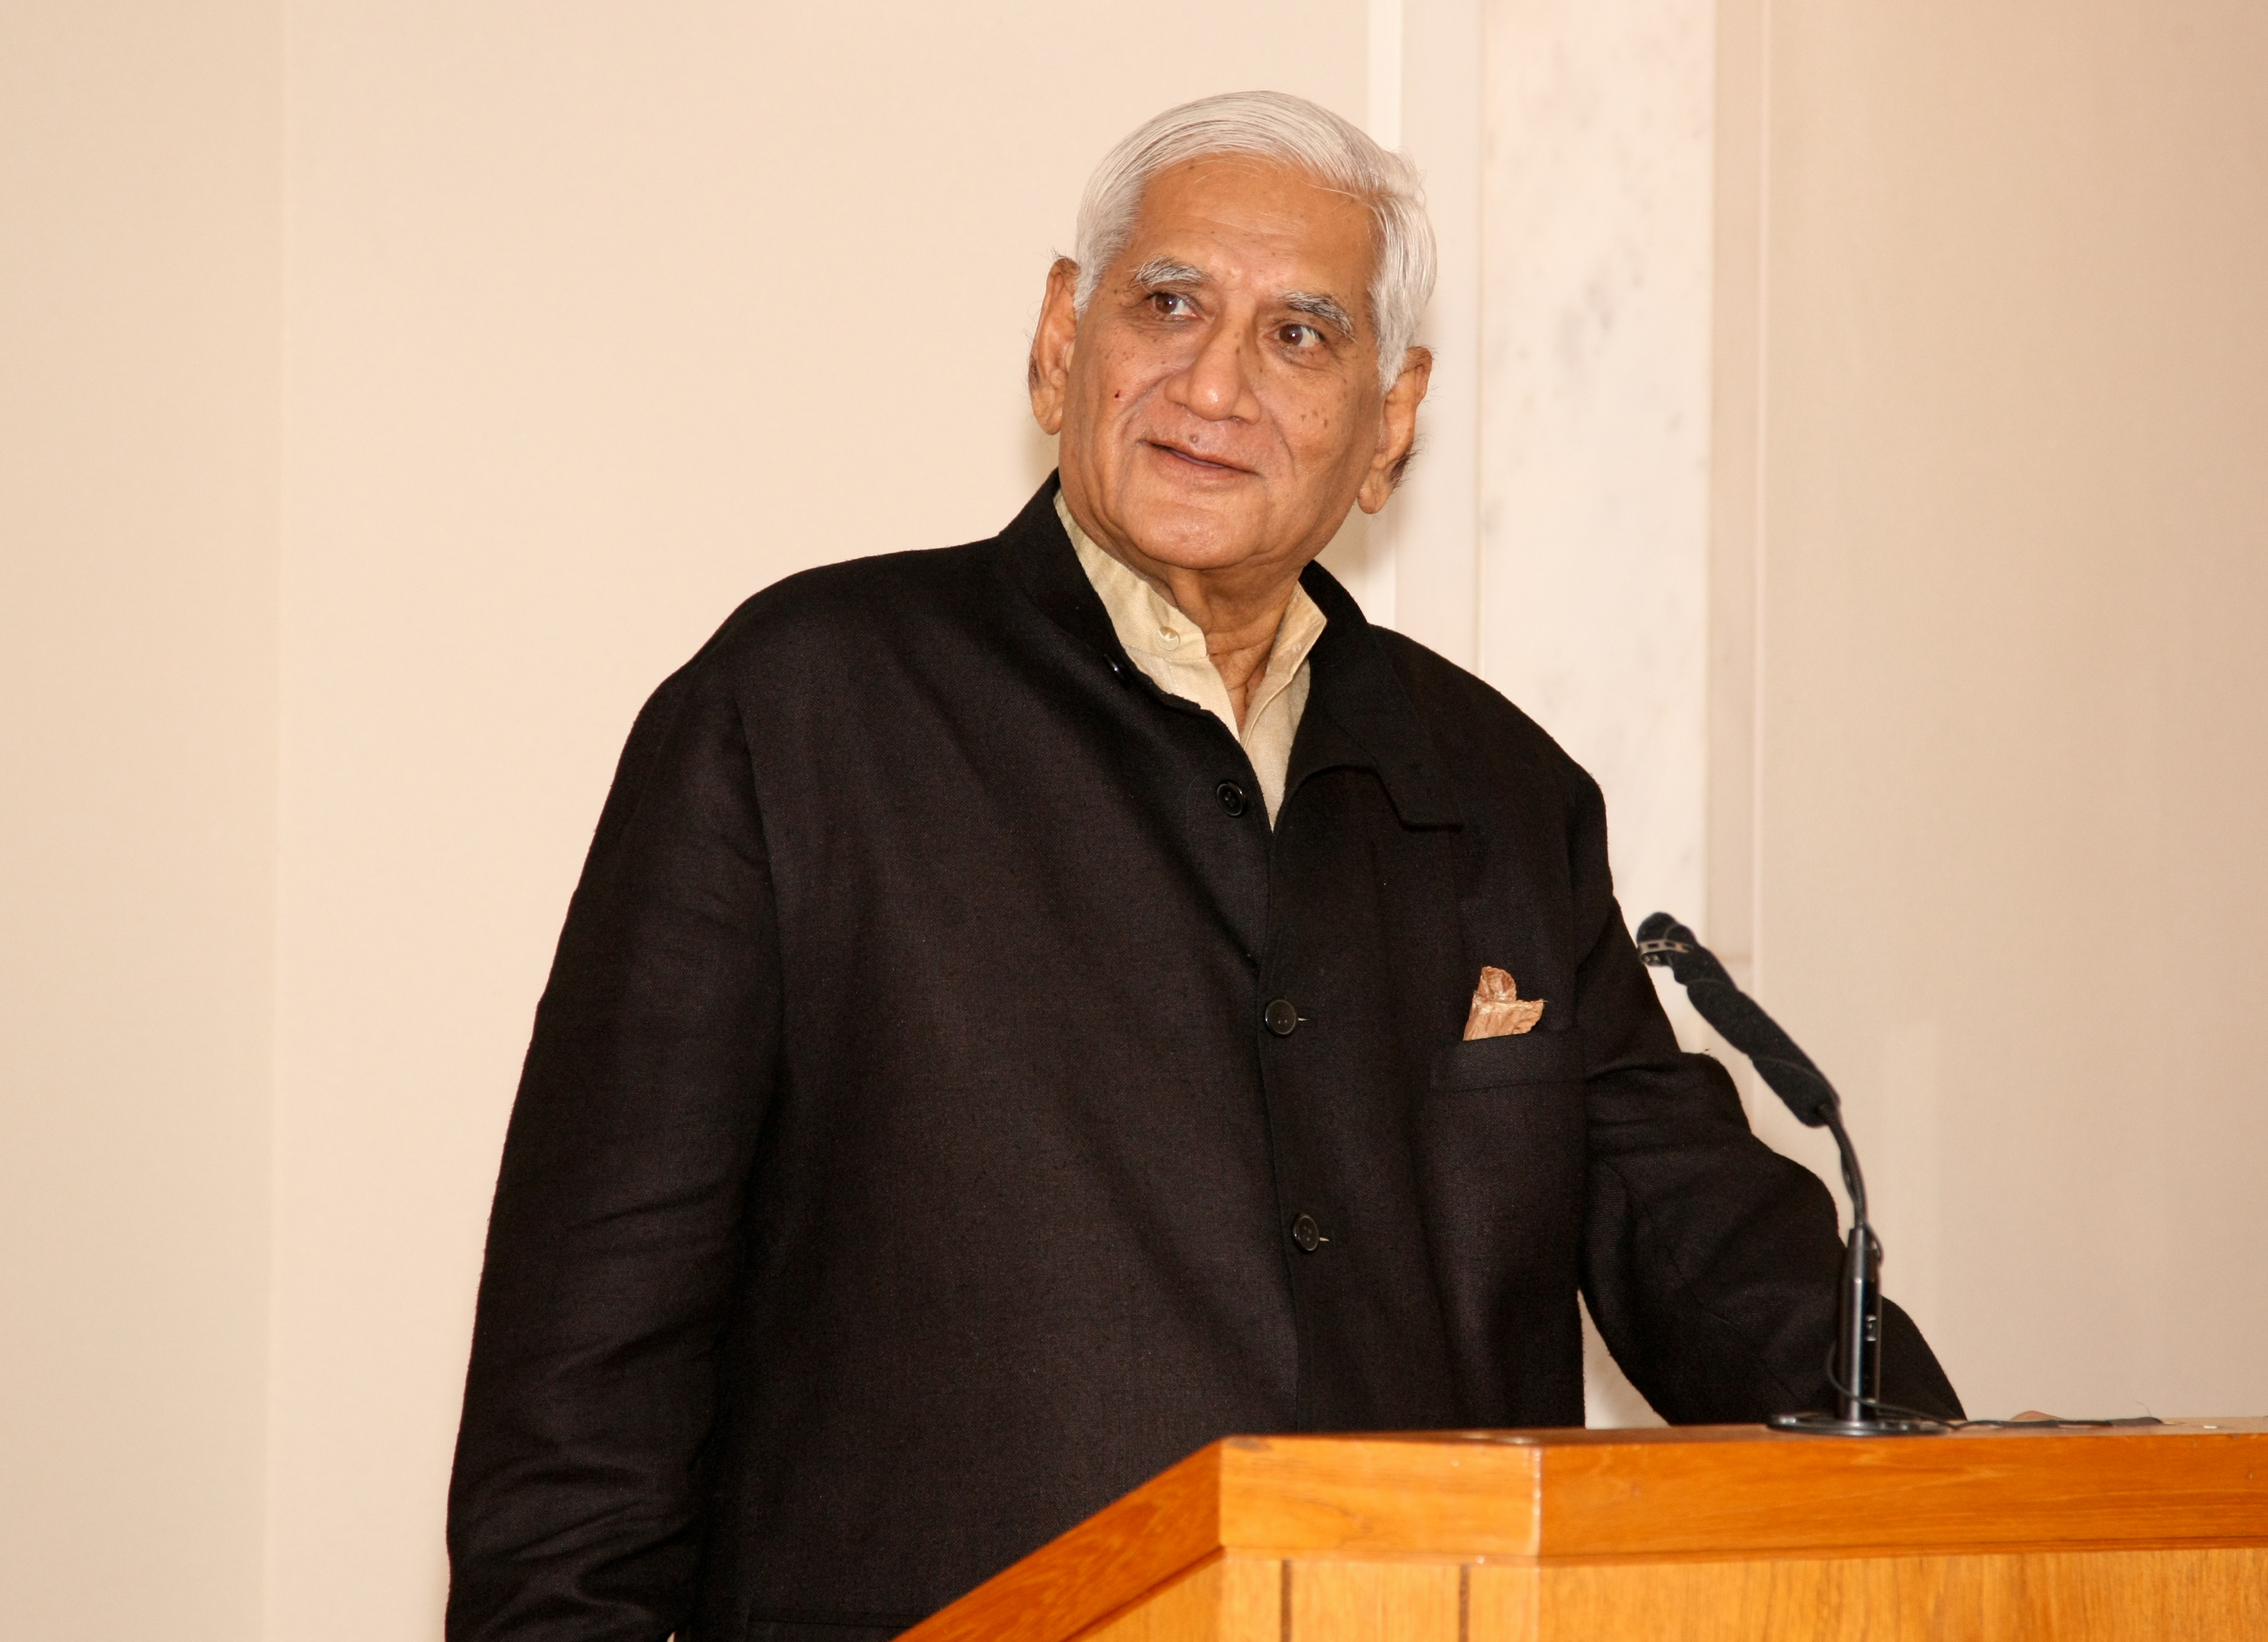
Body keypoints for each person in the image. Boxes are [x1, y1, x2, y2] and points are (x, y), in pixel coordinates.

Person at [444, 90, 1960, 1642]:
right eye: (1168, 303)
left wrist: (1967, 1499)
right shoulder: (801, 713)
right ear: (1058, 342)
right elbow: (583, 1407)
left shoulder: (1503, 793)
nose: (1216, 381)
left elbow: (1712, 1254)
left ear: (1392, 423)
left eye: (1302, 336)